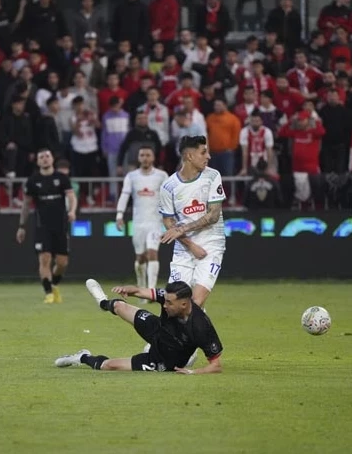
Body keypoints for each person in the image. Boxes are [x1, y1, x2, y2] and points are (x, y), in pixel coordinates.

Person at [55, 279, 223, 374]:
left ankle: (82, 357)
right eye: (165, 301)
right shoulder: (169, 299)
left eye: (169, 303)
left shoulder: (201, 326)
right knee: (120, 307)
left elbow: (216, 365)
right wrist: (130, 289)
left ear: (184, 304)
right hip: (157, 329)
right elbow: (143, 292)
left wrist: (192, 372)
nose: (164, 305)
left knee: (110, 366)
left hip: (162, 360)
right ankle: (103, 302)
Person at [159, 135, 225, 308]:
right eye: (203, 153)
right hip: (184, 249)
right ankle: (195, 333)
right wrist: (190, 245)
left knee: (195, 302)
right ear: (189, 156)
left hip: (211, 244)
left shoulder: (212, 176)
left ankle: (198, 332)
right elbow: (168, 221)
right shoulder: (169, 186)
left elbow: (213, 215)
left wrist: (183, 229)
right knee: (173, 302)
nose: (208, 157)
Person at [16, 148, 77, 304]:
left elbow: (71, 196)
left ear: (52, 159)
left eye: (47, 156)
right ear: (37, 161)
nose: (45, 159)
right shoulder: (32, 181)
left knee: (62, 263)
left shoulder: (62, 178)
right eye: (41, 157)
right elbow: (26, 205)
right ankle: (48, 293)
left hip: (61, 225)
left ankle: (54, 284)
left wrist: (72, 211)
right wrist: (22, 226)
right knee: (45, 259)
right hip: (42, 226)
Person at [116, 145, 169, 290]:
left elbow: (169, 196)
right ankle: (141, 282)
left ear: (153, 157)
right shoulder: (131, 176)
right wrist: (119, 215)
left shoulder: (162, 176)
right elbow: (124, 195)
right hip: (138, 223)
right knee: (140, 258)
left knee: (152, 252)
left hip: (155, 223)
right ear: (139, 158)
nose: (145, 158)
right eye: (142, 155)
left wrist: (171, 216)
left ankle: (151, 290)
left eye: (148, 155)